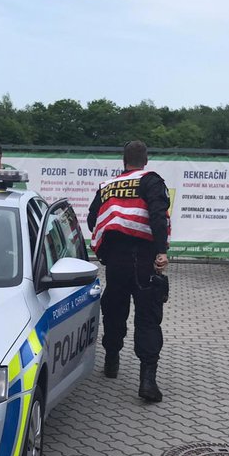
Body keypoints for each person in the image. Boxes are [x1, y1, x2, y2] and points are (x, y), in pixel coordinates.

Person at [87, 140, 170, 403]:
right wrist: (160, 250)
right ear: (145, 160)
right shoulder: (151, 181)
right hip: (144, 258)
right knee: (147, 317)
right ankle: (147, 380)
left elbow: (93, 219)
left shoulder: (108, 186)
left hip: (116, 260)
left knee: (114, 310)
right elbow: (158, 215)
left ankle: (111, 361)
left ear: (123, 161)